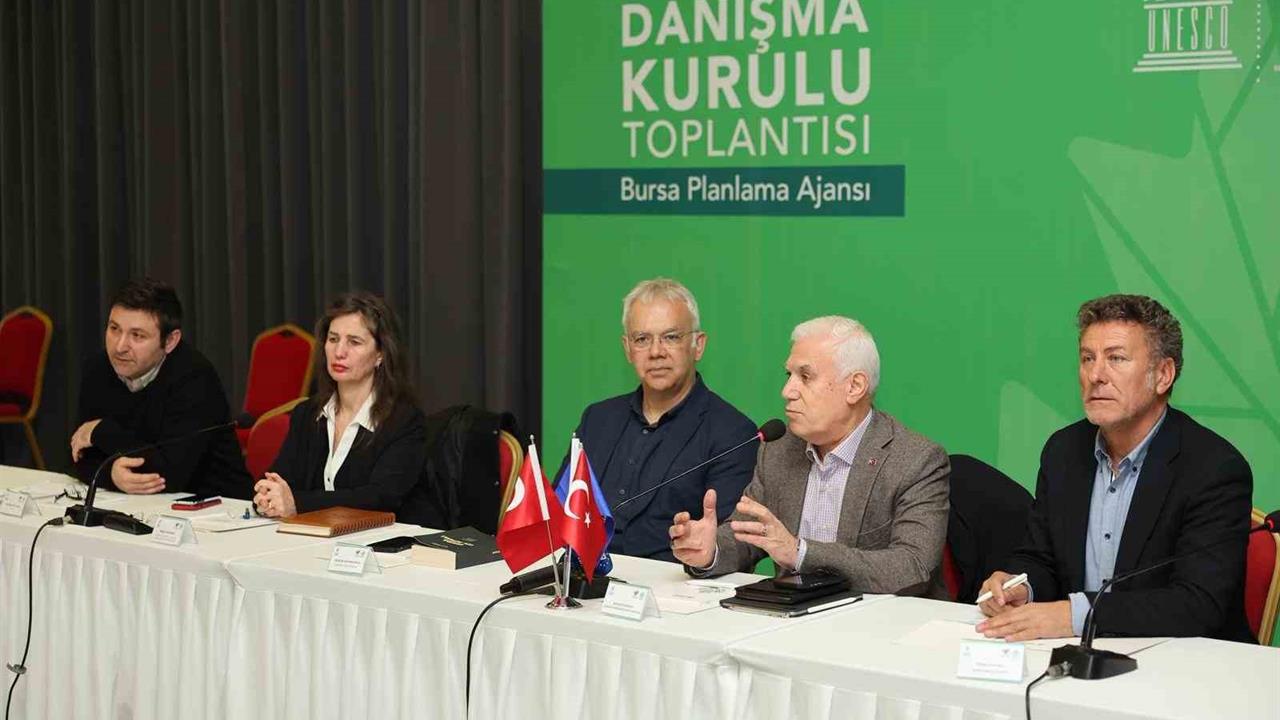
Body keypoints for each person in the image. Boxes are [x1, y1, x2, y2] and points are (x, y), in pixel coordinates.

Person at [977, 294, 1254, 642]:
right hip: (1080, 656)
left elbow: (1198, 604)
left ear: (1163, 375)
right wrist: (1019, 585)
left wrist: (1077, 616)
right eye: (1087, 358)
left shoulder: (1214, 468)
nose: (1096, 375)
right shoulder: (1063, 451)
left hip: (1187, 660)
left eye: (1116, 358)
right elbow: (1041, 558)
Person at [669, 316, 951, 598]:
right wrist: (710, 550)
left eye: (805, 377)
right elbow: (747, 535)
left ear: (854, 387)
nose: (787, 391)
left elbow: (912, 567)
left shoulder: (915, 460)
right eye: (788, 375)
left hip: (881, 619)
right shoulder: (778, 449)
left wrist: (800, 553)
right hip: (792, 614)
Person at [559, 278, 756, 562]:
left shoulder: (733, 433)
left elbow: (732, 547)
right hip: (587, 576)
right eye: (642, 339)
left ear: (698, 345)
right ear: (628, 348)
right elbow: (561, 509)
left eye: (671, 337)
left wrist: (702, 547)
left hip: (673, 584)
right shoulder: (598, 419)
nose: (655, 352)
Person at [253, 292, 432, 524]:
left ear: (380, 354)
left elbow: (381, 497)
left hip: (379, 540)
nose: (339, 352)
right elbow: (280, 479)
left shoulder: (404, 419)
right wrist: (268, 494)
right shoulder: (307, 413)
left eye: (354, 342)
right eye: (333, 339)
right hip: (313, 537)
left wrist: (298, 503)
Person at [70, 277, 252, 498]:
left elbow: (169, 474)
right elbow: (77, 454)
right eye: (114, 329)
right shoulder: (98, 368)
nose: (119, 346)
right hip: (136, 505)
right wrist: (111, 475)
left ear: (170, 341)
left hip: (216, 506)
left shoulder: (195, 378)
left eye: (137, 335)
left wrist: (101, 432)